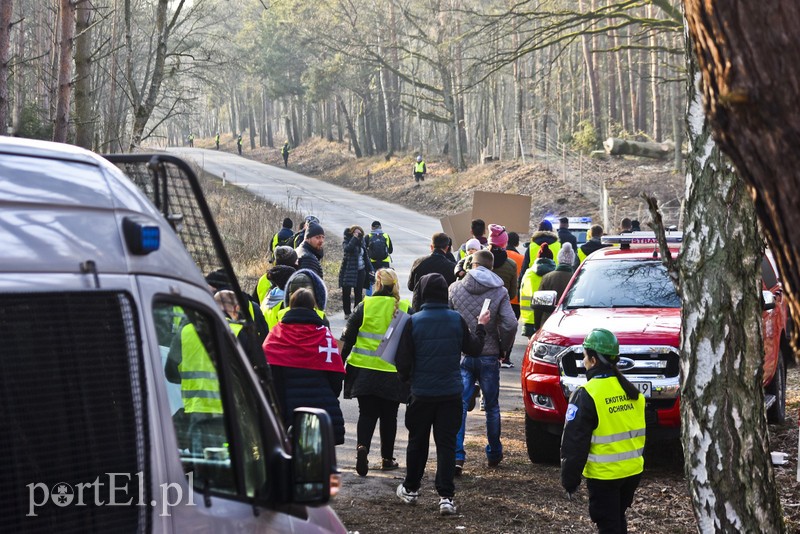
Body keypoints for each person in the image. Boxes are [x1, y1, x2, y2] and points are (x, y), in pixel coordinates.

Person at [395, 273, 490, 516]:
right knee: (446, 445)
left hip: (422, 393)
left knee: (418, 441)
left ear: (423, 293)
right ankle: (446, 496)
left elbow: (403, 362)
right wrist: (481, 326)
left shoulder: (413, 321)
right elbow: (474, 349)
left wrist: (409, 382)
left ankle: (411, 488)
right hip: (450, 393)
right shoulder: (456, 319)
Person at [561, 328, 645, 534]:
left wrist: (570, 481)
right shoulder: (632, 392)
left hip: (605, 476)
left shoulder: (587, 394)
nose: (583, 361)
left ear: (594, 360)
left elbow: (574, 443)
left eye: (584, 356)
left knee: (609, 525)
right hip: (632, 472)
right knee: (616, 519)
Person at [449, 249, 517, 475]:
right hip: (488, 355)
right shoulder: (500, 291)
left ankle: (457, 456)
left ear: (471, 264)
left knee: (459, 406)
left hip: (463, 355)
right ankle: (494, 452)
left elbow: (448, 319)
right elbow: (510, 324)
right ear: (492, 267)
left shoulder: (455, 288)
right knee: (492, 406)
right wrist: (503, 348)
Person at [340, 268, 411, 476]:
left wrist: (339, 366)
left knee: (367, 413)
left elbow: (348, 339)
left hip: (363, 370)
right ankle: (387, 459)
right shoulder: (406, 308)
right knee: (389, 416)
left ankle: (362, 447)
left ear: (377, 284)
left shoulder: (365, 305)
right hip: (392, 373)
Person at [262, 288, 346, 444]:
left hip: (286, 409)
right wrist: (330, 395)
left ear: (290, 305)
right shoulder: (324, 335)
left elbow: (268, 375)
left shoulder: (276, 334)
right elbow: (336, 376)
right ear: (313, 306)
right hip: (320, 408)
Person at [407, 232, 457, 311]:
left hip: (420, 308)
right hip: (442, 309)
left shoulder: (418, 262)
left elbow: (410, 287)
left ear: (431, 247)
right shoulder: (452, 267)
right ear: (447, 248)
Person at [519, 243, 556, 337]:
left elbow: (521, 290)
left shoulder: (528, 273)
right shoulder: (555, 274)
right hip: (548, 318)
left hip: (529, 318)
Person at [339, 225, 374, 318]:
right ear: (352, 233)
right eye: (356, 233)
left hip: (360, 270)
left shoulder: (362, 242)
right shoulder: (347, 241)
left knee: (358, 292)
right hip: (349, 270)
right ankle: (347, 312)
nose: (358, 234)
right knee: (346, 292)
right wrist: (354, 239)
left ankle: (356, 313)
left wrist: (371, 269)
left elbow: (366, 257)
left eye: (359, 233)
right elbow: (347, 249)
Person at [537, 243, 576, 327]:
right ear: (572, 260)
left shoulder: (547, 277)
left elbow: (539, 305)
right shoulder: (577, 279)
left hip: (548, 322)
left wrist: (537, 325)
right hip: (570, 323)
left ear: (558, 259)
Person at [518, 219, 561, 286]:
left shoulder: (532, 246)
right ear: (551, 230)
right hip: (553, 283)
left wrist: (520, 284)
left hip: (533, 284)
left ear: (538, 230)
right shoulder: (558, 246)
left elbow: (524, 268)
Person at [505, 231, 524, 320]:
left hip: (500, 298)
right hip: (515, 299)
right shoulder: (522, 258)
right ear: (517, 244)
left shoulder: (498, 256)